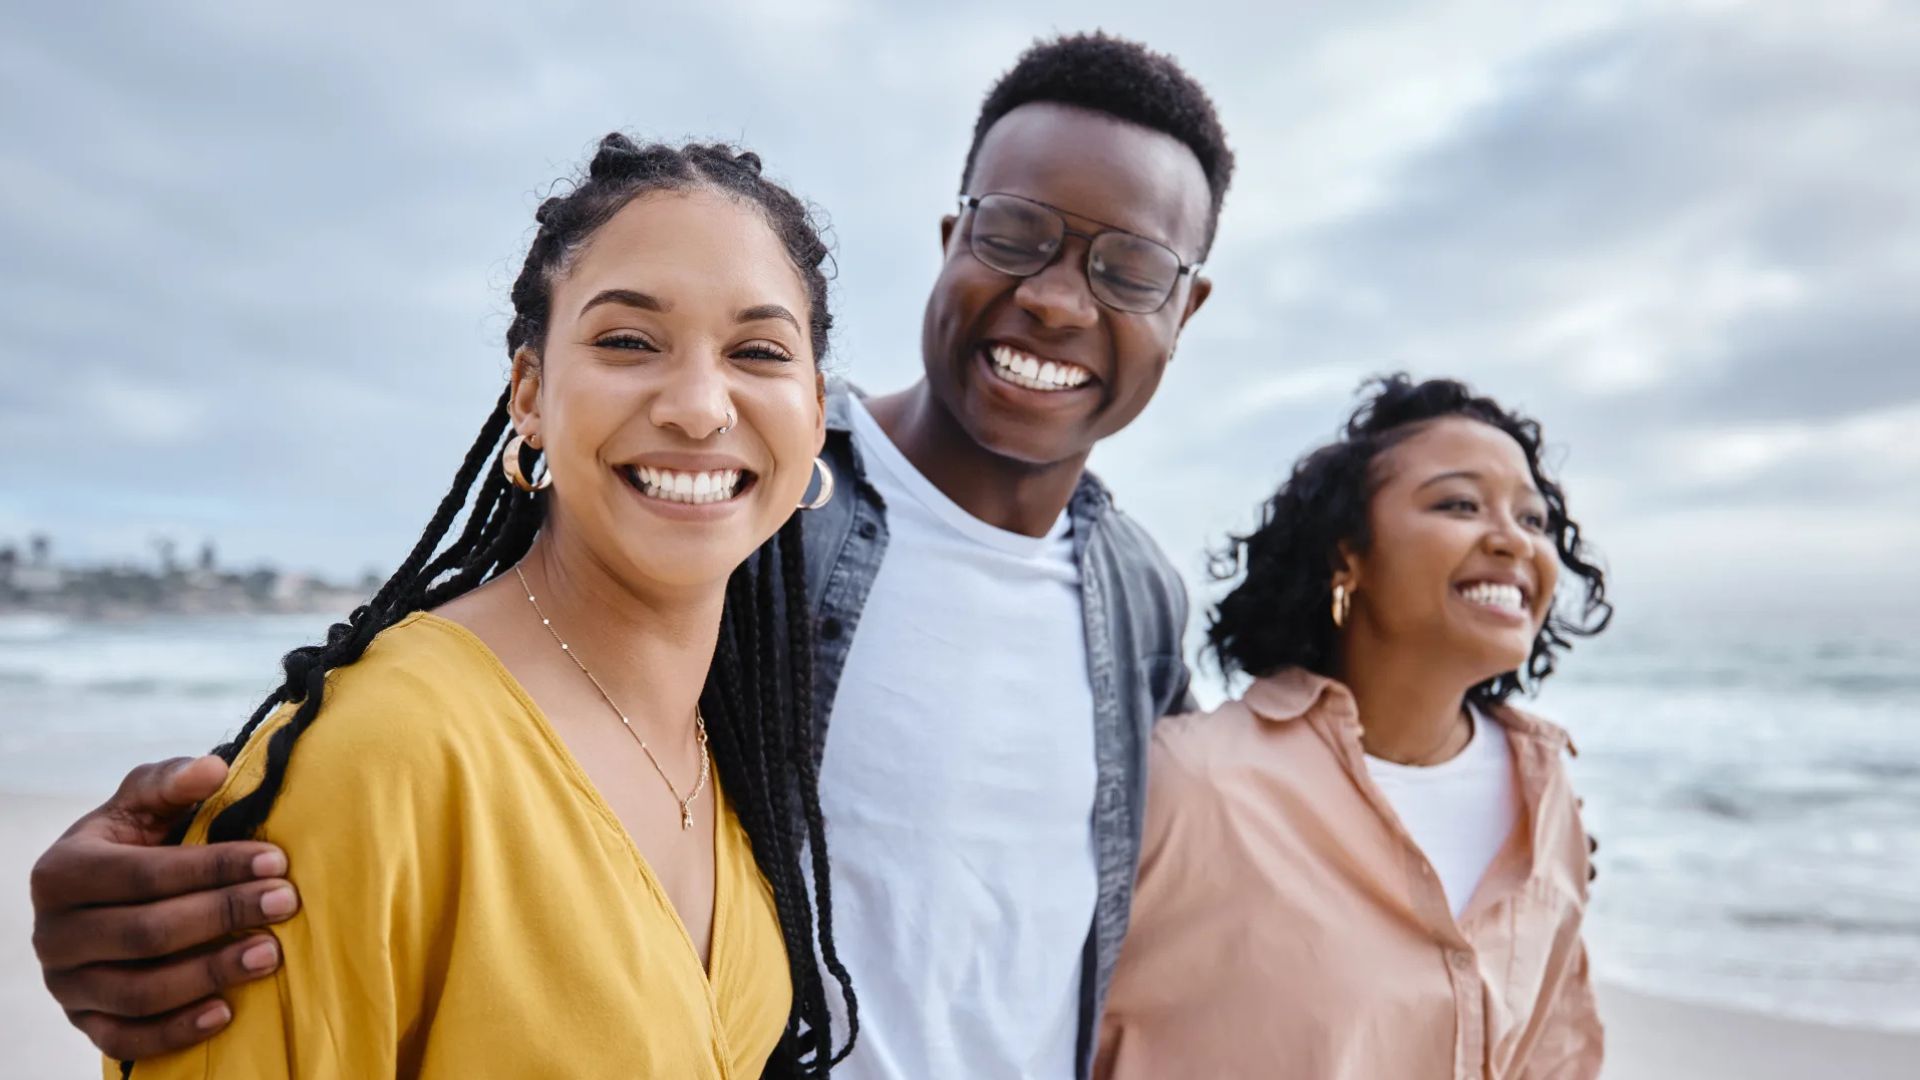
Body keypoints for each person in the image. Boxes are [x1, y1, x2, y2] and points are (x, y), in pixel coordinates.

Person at [32, 32, 1229, 1080]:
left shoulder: (1137, 602)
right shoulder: (751, 520)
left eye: (1131, 267)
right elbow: (431, 776)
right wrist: (136, 898)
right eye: (1016, 233)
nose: (1058, 301)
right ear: (954, 234)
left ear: (1189, 310)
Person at [91, 135, 858, 1077]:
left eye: (757, 351)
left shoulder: (724, 750)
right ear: (530, 394)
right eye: (627, 341)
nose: (699, 406)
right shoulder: (383, 750)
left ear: (813, 413)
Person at [1095, 375, 1611, 1080]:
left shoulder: (1548, 804)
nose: (1513, 541)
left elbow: (1554, 1058)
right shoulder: (1189, 783)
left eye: (1534, 519)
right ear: (1349, 554)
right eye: (1460, 504)